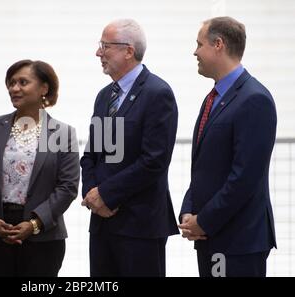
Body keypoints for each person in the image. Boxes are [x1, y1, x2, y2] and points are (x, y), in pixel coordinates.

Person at [178, 17, 277, 277]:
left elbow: (244, 177)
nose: (195, 52)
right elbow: (204, 167)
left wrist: (204, 221)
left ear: (218, 44)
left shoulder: (254, 99)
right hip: (211, 236)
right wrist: (189, 211)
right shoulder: (213, 98)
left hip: (238, 241)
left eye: (199, 44)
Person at [80, 19, 179, 277]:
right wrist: (92, 196)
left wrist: (107, 194)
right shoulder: (104, 96)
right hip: (102, 224)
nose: (98, 53)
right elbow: (91, 155)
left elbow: (154, 161)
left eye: (105, 46)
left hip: (140, 225)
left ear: (128, 50)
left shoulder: (158, 93)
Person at [0, 59, 80, 277]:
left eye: (23, 82)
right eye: (11, 83)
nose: (14, 88)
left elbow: (67, 187)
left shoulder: (62, 133)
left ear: (44, 88)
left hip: (44, 235)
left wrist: (35, 223)